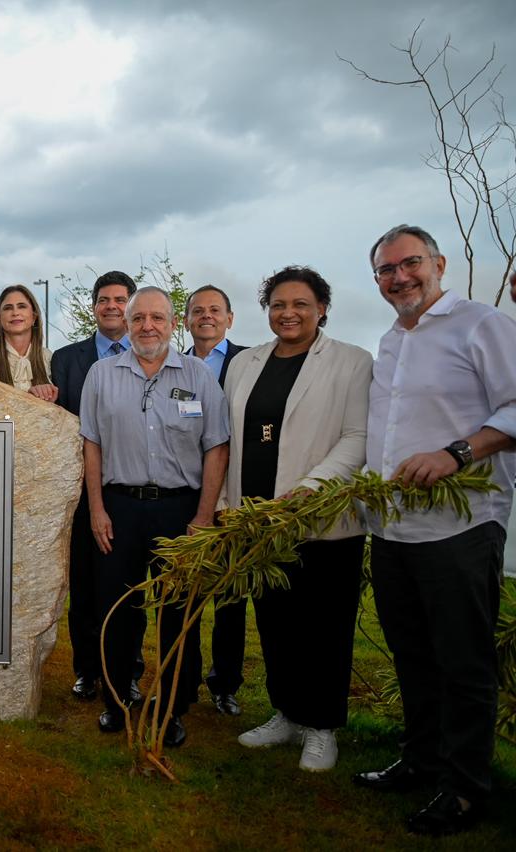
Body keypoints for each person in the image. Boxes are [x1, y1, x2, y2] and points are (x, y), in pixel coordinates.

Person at [354, 225, 516, 836]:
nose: (399, 278)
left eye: (409, 264)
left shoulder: (482, 324)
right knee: (413, 656)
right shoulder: (393, 339)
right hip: (395, 530)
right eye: (386, 271)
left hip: (462, 526)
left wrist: (457, 452)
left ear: (438, 263)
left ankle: (467, 787)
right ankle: (421, 761)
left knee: (462, 663)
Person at [220, 267, 371, 772]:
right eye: (279, 304)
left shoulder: (351, 362)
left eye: (301, 304)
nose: (288, 313)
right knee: (276, 621)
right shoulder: (245, 363)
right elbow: (231, 439)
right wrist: (227, 504)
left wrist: (304, 493)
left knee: (324, 626)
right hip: (258, 522)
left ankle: (322, 726)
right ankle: (285, 713)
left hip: (321, 521)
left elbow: (356, 438)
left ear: (322, 307)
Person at [79, 286, 229, 748]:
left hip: (181, 510)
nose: (148, 326)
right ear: (126, 322)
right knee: (116, 609)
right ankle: (117, 699)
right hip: (118, 508)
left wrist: (204, 515)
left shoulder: (200, 376)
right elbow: (91, 445)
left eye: (158, 318)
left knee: (177, 612)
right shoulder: (101, 375)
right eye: (139, 318)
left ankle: (173, 705)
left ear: (173, 324)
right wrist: (98, 509)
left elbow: (216, 446)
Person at [51, 271, 136, 704]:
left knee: (128, 589)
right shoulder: (67, 359)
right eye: (104, 300)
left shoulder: (149, 356)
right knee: (84, 584)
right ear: (93, 307)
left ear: (131, 306)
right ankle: (86, 669)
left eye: (120, 299)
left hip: (132, 486)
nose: (111, 306)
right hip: (83, 490)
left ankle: (128, 670)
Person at [182, 284, 248, 716]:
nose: (206, 316)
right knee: (184, 597)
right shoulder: (176, 366)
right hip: (187, 492)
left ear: (229, 317)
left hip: (236, 496)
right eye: (198, 311)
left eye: (215, 310)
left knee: (230, 597)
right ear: (186, 321)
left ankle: (225, 685)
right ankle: (183, 683)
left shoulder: (250, 363)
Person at [0, 284, 57, 401]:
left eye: (22, 306)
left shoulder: (49, 357)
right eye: (8, 308)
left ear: (34, 317)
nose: (15, 313)